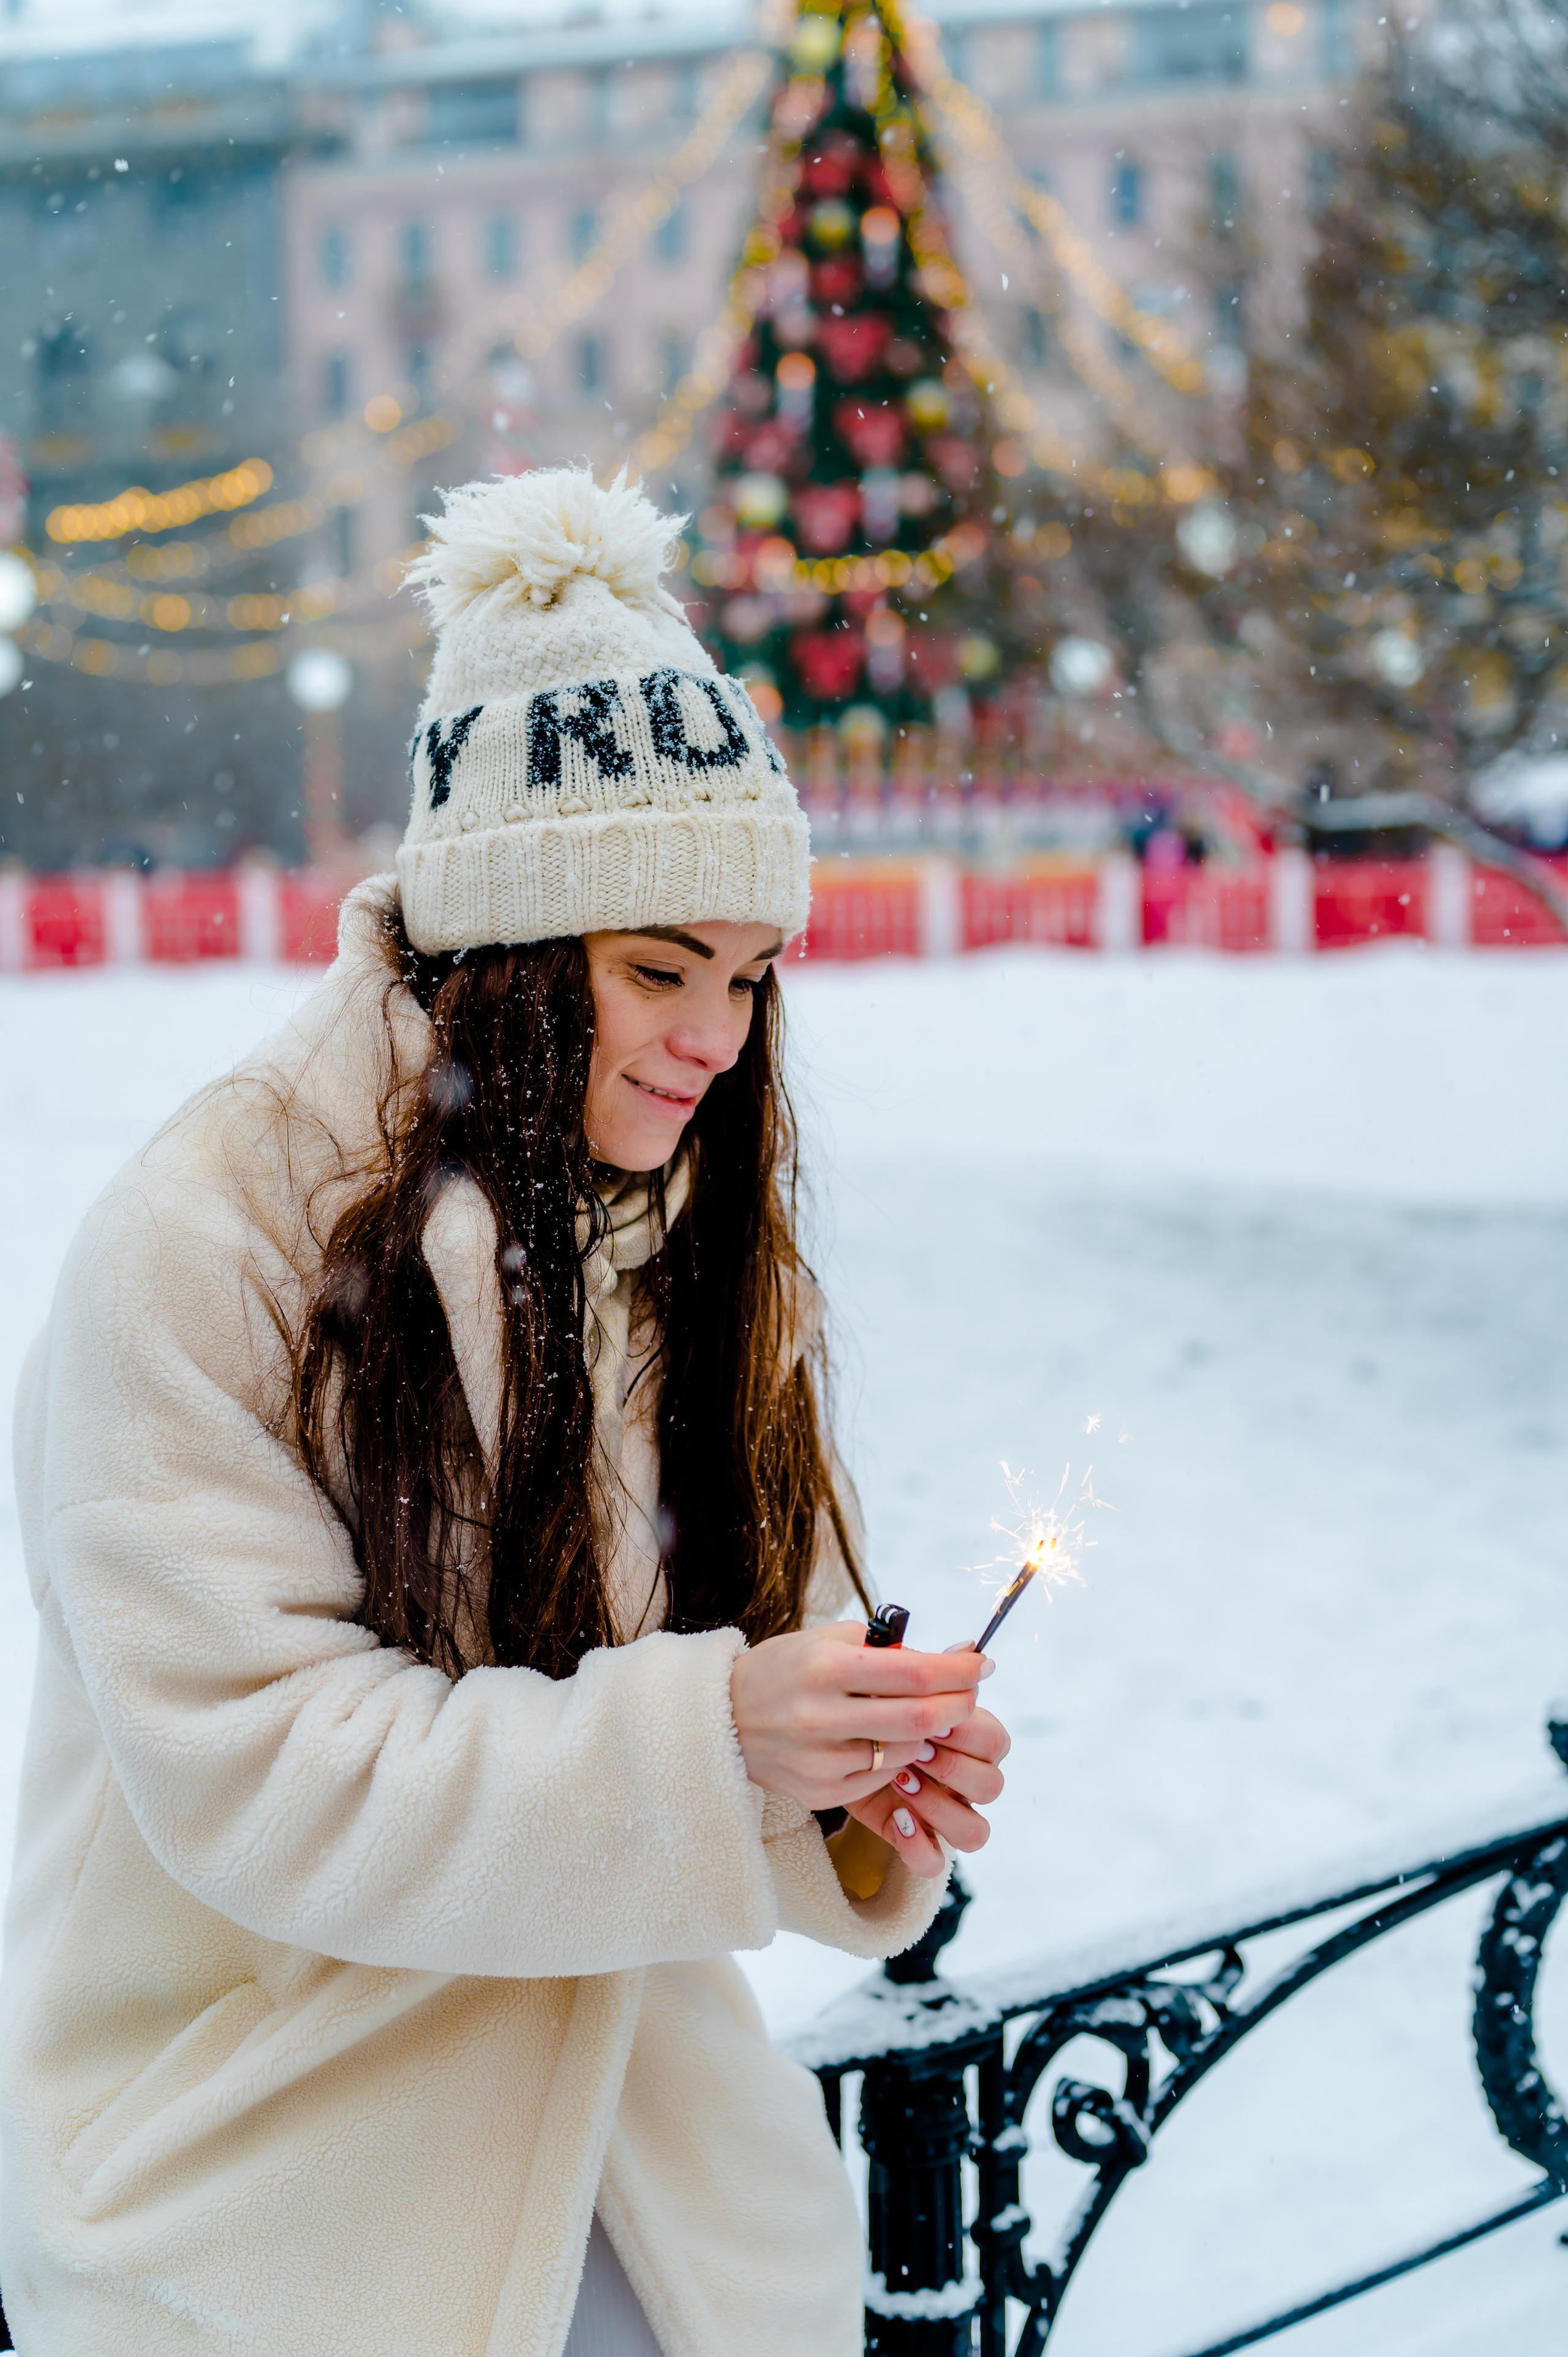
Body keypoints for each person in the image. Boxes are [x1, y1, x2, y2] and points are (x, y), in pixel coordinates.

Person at [0, 468, 1009, 2356]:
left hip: (662, 2204)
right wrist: (716, 1741)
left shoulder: (693, 1239)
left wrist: (857, 1776)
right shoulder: (199, 1241)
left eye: (747, 978)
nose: (714, 1039)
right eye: (657, 972)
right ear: (510, 952)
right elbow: (258, 1769)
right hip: (279, 2209)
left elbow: (767, 1646)